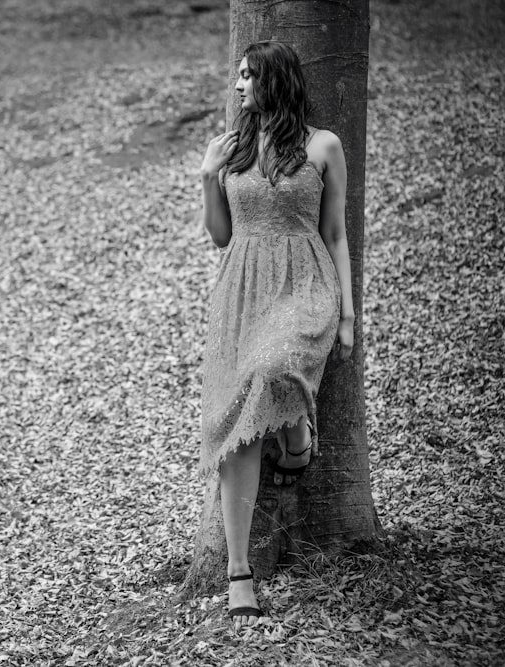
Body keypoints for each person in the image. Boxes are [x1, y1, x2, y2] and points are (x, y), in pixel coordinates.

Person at [197, 41, 356, 631]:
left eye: (247, 75)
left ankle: (294, 442)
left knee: (271, 367)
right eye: (237, 75)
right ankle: (240, 572)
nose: (238, 85)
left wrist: (347, 313)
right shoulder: (231, 149)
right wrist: (209, 177)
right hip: (241, 287)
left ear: (275, 79)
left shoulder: (322, 145)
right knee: (237, 425)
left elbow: (335, 231)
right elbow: (219, 235)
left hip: (304, 284)